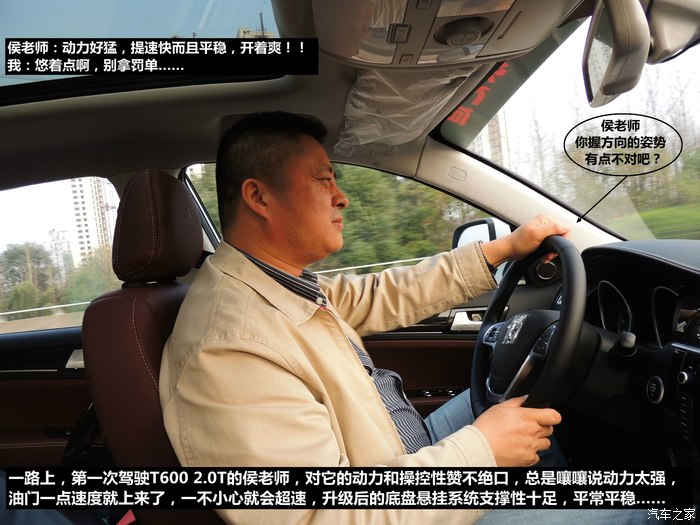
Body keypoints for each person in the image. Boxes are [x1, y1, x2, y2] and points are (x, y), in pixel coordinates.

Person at [160, 111, 650, 524]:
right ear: (259, 197)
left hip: (403, 455)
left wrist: (503, 249)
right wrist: (482, 453)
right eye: (323, 178)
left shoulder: (271, 284)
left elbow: (382, 293)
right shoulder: (228, 347)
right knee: (640, 512)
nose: (341, 196)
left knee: (534, 393)